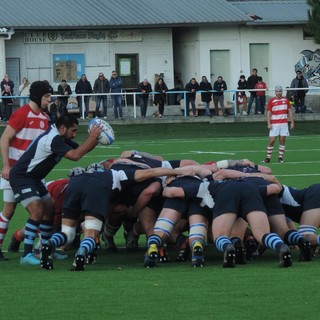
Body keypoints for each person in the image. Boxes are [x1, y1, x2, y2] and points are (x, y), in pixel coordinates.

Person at [40, 165, 193, 271]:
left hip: (74, 185)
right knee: (91, 232)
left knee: (68, 233)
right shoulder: (118, 174)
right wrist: (176, 171)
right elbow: (151, 172)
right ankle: (81, 254)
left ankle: (49, 244)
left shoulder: (87, 174)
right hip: (96, 187)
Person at [8, 114, 102, 265]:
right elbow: (76, 156)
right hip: (22, 177)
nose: (74, 134)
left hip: (34, 178)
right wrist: (92, 137)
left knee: (50, 208)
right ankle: (26, 255)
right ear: (63, 128)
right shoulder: (53, 139)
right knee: (37, 210)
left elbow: (80, 149)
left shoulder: (61, 137)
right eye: (73, 130)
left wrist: (97, 139)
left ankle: (46, 249)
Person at [0, 81, 51, 261]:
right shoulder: (21, 114)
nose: (49, 100)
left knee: (41, 212)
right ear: (37, 96)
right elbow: (4, 138)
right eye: (46, 97)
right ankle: (28, 247)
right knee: (10, 210)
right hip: (15, 172)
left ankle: (31, 244)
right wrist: (6, 165)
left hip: (33, 175)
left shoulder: (45, 118)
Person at [263, 85, 294, 163]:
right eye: (277, 91)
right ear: (275, 92)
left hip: (284, 124)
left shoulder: (286, 100)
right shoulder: (271, 101)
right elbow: (268, 113)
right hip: (274, 124)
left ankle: (280, 157)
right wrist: (269, 123)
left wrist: (292, 122)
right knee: (272, 140)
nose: (278, 93)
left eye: (280, 91)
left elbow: (289, 111)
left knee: (282, 140)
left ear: (281, 92)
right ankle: (268, 158)